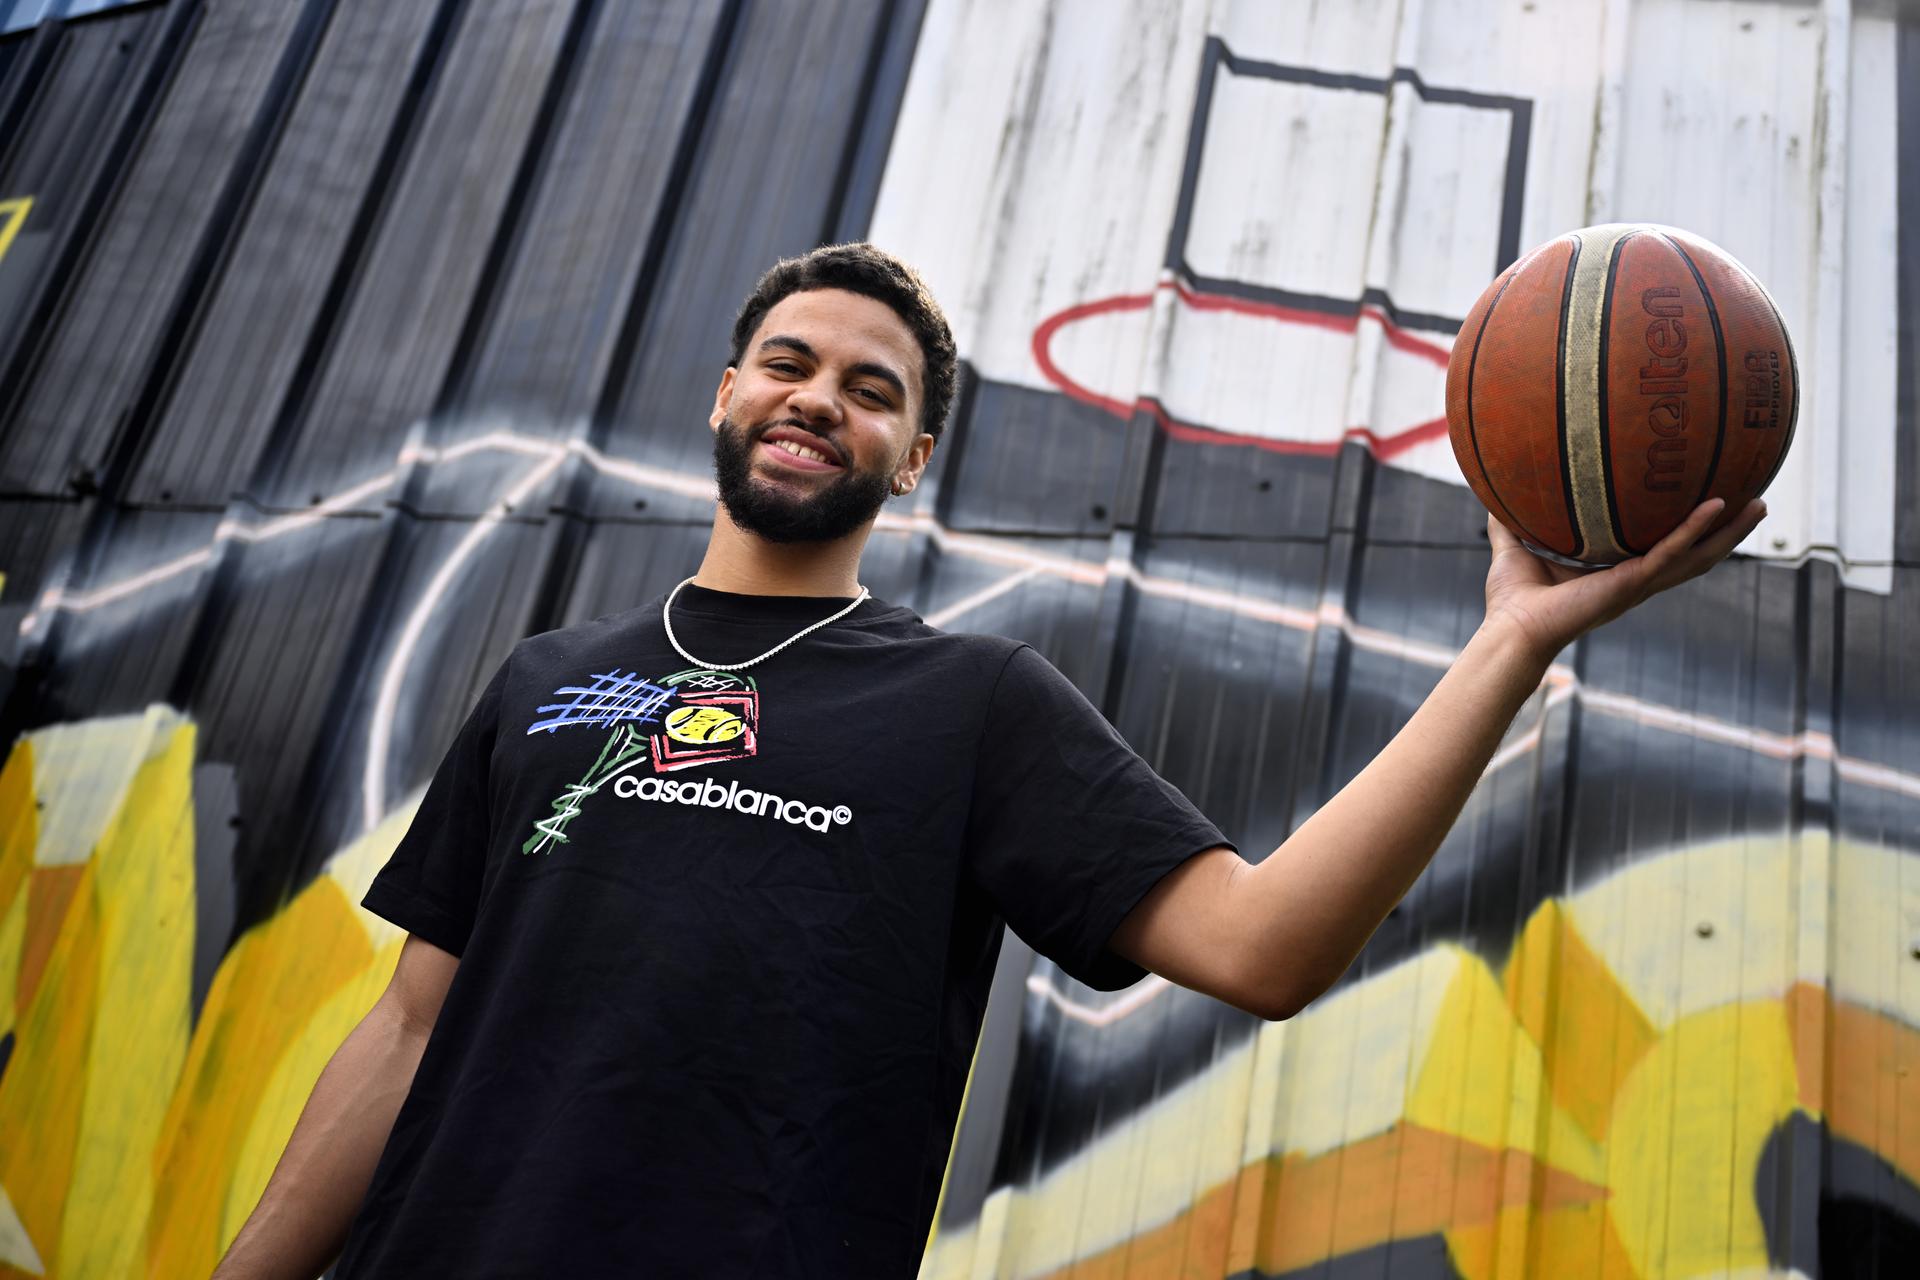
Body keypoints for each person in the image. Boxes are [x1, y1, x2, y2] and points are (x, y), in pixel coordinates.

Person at [213, 243, 1764, 1277]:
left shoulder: (974, 706)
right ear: (728, 394)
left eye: (870, 390)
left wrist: (1511, 644)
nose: (817, 398)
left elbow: (1265, 947)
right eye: (787, 362)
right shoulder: (548, 683)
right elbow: (408, 1030)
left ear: (914, 458)